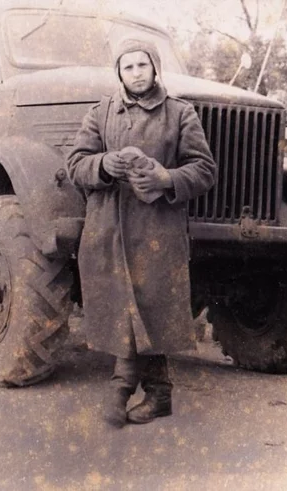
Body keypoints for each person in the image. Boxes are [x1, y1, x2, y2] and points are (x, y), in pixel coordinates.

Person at [66, 37, 216, 427]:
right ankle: (157, 393)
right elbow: (75, 164)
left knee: (150, 302)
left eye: (142, 65)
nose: (136, 73)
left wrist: (167, 177)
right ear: (119, 72)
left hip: (157, 229)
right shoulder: (101, 113)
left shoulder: (180, 114)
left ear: (155, 68)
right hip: (109, 227)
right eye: (128, 67)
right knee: (123, 303)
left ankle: (122, 386)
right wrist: (104, 164)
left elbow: (204, 170)